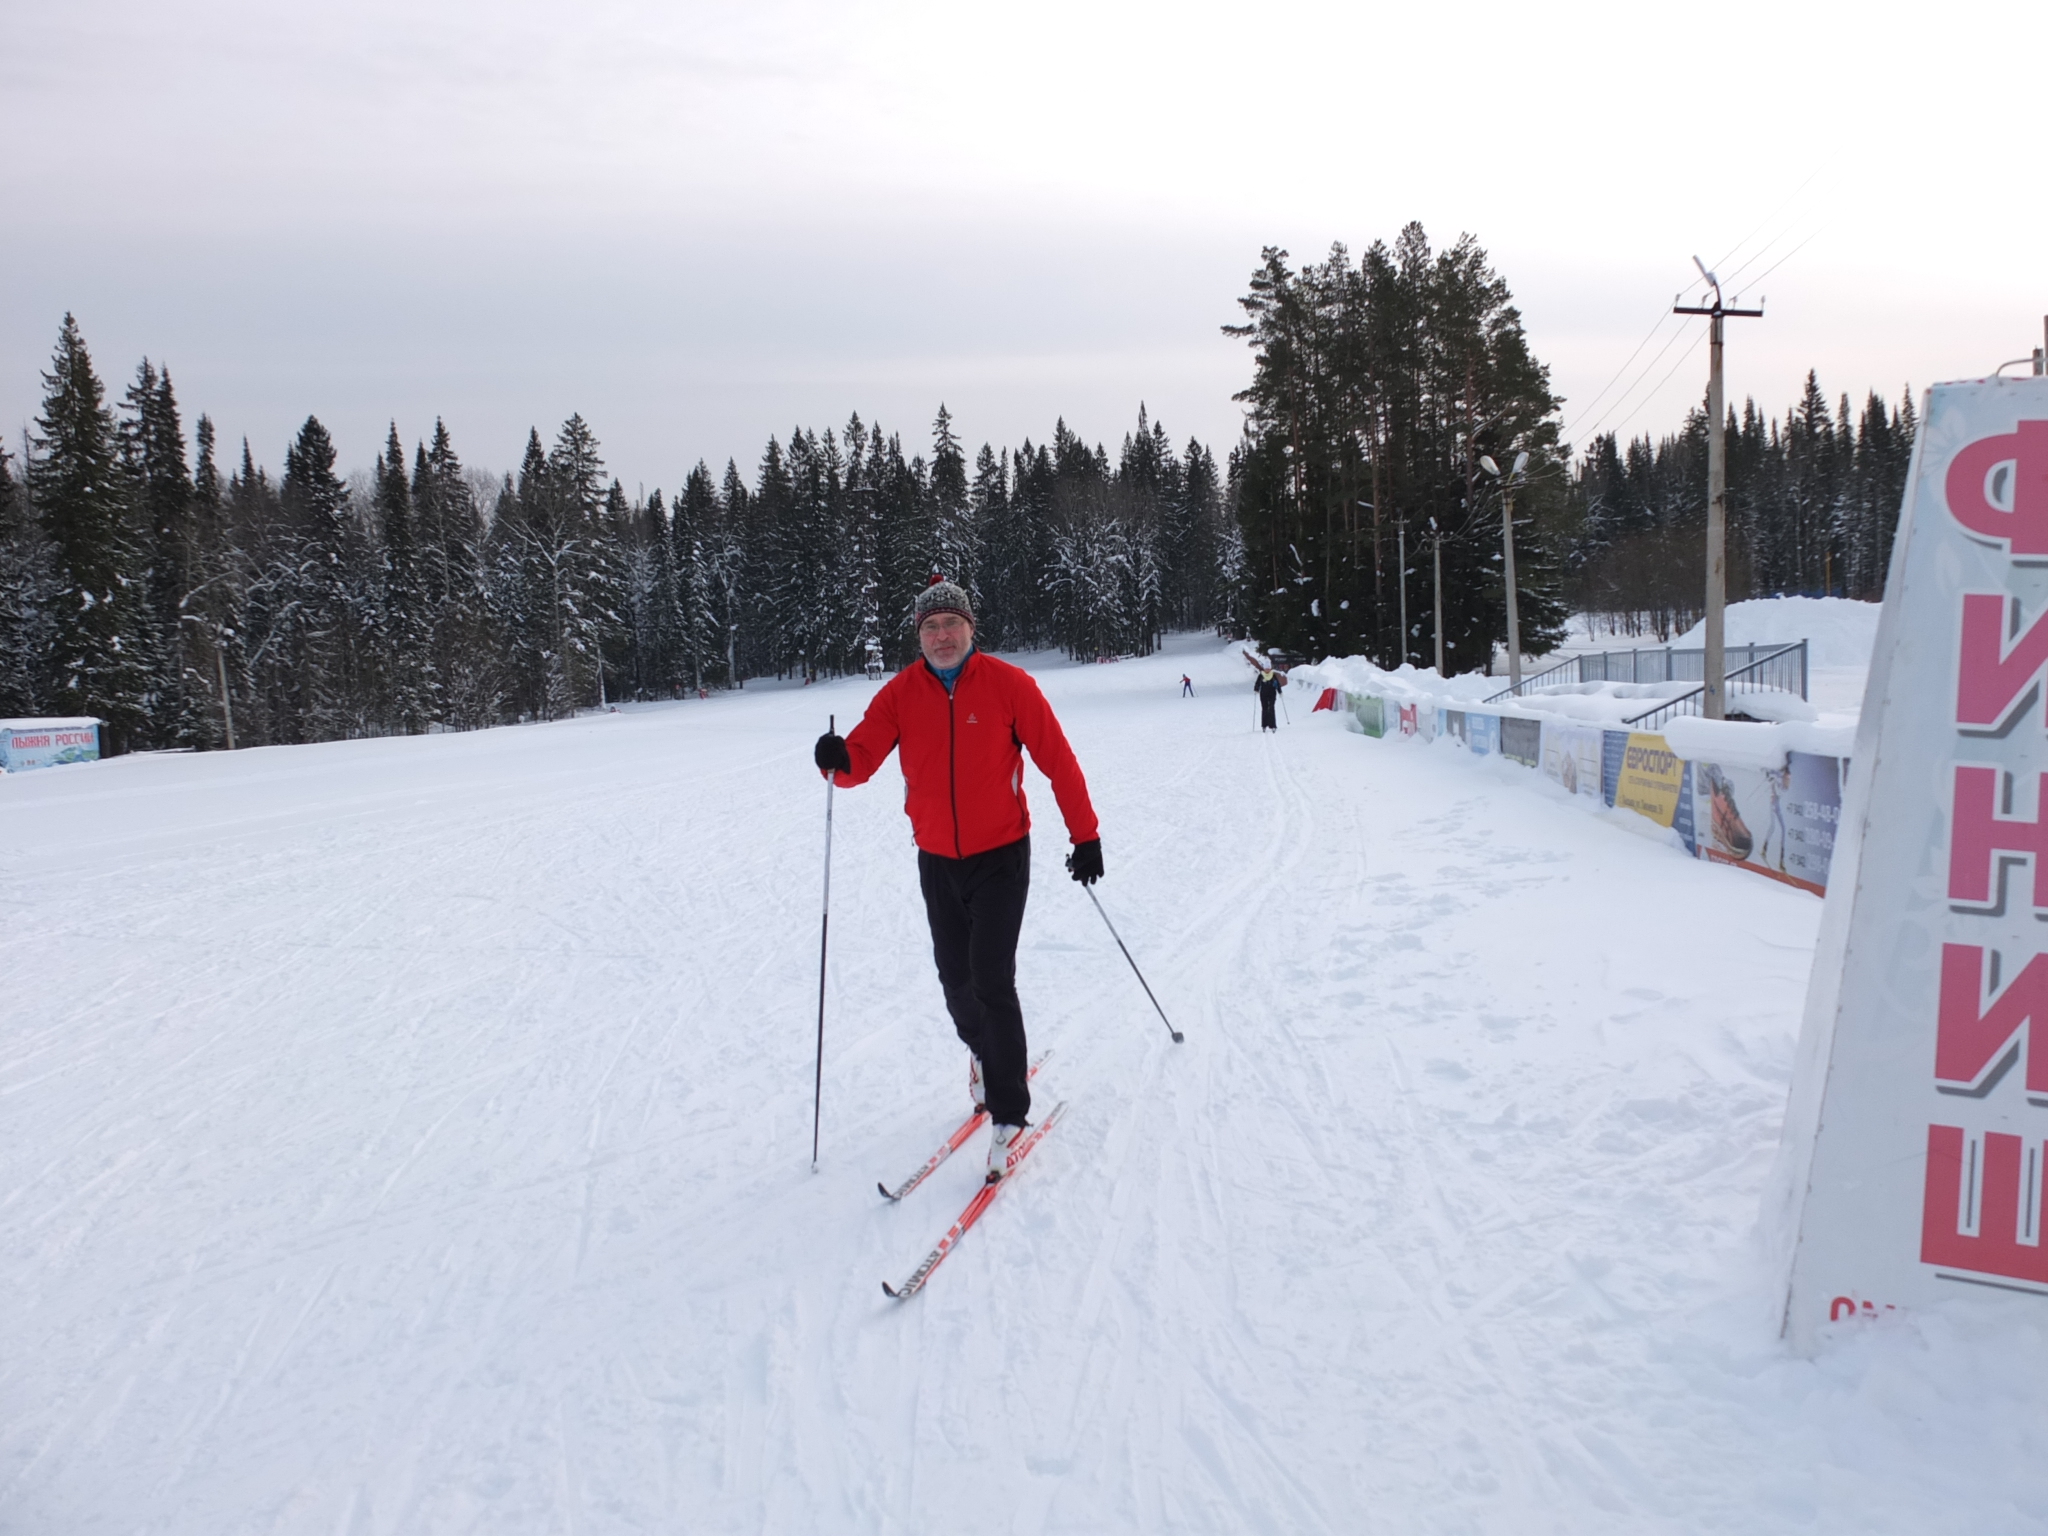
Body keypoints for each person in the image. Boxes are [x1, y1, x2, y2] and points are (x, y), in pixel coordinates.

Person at [813, 575, 1102, 1182]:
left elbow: (1058, 759)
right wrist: (837, 760)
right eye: (930, 627)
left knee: (993, 978)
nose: (942, 635)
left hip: (1002, 856)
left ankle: (1008, 1111)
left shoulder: (1008, 685)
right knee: (955, 979)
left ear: (972, 628)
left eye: (951, 623)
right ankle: (982, 1051)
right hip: (937, 859)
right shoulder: (900, 695)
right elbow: (861, 758)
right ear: (919, 636)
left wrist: (1086, 835)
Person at [1254, 665, 1286, 732]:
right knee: (1264, 708)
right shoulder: (1261, 675)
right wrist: (1256, 689)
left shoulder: (1273, 675)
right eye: (1266, 668)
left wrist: (1280, 691)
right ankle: (1264, 725)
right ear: (1264, 669)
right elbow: (1257, 683)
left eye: (1268, 668)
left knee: (1271, 708)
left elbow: (1277, 684)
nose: (1267, 670)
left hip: (1272, 694)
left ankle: (1273, 725)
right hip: (1263, 694)